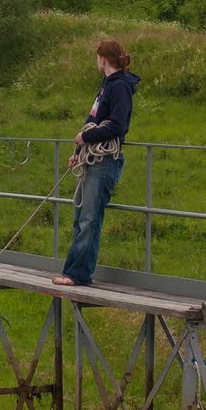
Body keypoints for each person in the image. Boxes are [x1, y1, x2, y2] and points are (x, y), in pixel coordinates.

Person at [55, 37, 139, 289]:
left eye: (97, 57)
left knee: (89, 219)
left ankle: (78, 274)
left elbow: (117, 126)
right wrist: (79, 150)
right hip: (92, 159)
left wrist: (87, 138)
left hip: (104, 162)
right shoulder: (107, 85)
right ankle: (73, 270)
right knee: (81, 217)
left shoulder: (120, 87)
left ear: (103, 59)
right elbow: (93, 120)